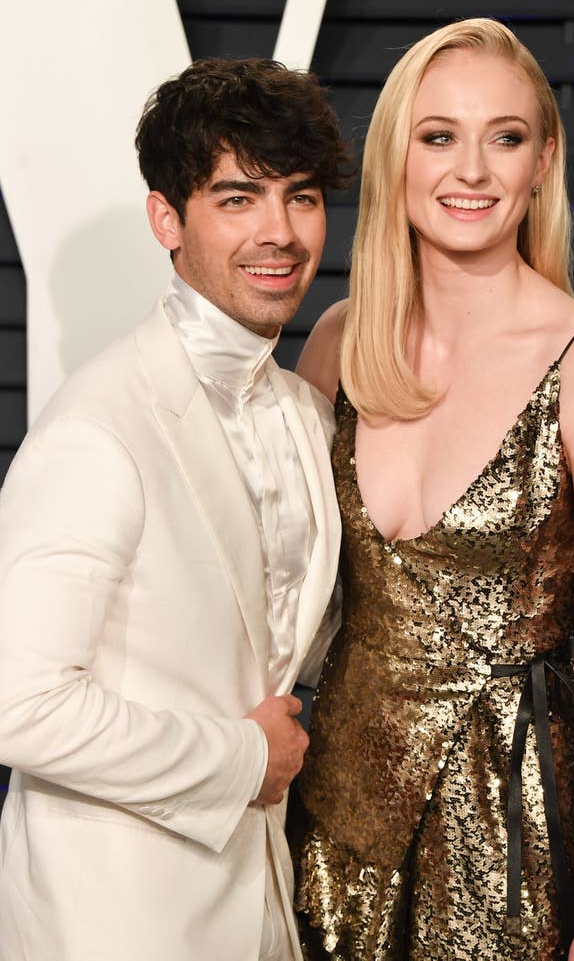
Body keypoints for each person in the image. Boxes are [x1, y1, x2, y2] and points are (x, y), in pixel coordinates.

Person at [290, 19, 574, 960]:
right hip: (324, 824)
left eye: (505, 137)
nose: (473, 171)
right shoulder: (340, 343)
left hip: (508, 842)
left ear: (543, 161)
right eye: (439, 135)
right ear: (396, 157)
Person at [0, 58, 352, 961]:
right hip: (113, 920)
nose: (279, 233)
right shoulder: (99, 425)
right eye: (238, 198)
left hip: (267, 903)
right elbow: (18, 704)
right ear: (168, 218)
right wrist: (241, 761)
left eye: (300, 197)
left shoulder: (309, 416)